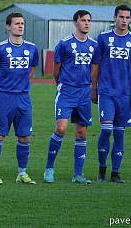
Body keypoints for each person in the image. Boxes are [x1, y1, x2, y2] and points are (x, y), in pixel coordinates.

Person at [43, 10, 98, 184]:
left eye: (89, 20)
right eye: (83, 20)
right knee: (61, 128)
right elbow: (56, 69)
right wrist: (61, 84)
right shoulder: (64, 44)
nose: (87, 23)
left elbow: (95, 68)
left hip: (84, 92)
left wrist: (92, 87)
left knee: (81, 132)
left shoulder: (94, 45)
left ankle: (78, 174)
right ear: (75, 23)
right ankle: (49, 169)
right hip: (67, 91)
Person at [0, 12, 38, 185]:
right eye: (16, 23)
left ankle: (22, 173)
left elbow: (33, 67)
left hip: (24, 98)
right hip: (4, 98)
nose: (20, 26)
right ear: (8, 27)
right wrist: (0, 86)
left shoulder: (31, 48)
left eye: (22, 23)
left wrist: (23, 83)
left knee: (24, 137)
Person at [91, 5, 131, 183]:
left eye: (127, 17)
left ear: (130, 19)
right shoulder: (103, 38)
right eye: (121, 17)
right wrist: (94, 88)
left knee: (119, 134)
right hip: (106, 92)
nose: (124, 20)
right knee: (106, 130)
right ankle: (102, 168)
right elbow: (95, 65)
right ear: (115, 18)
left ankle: (115, 173)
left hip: (124, 95)